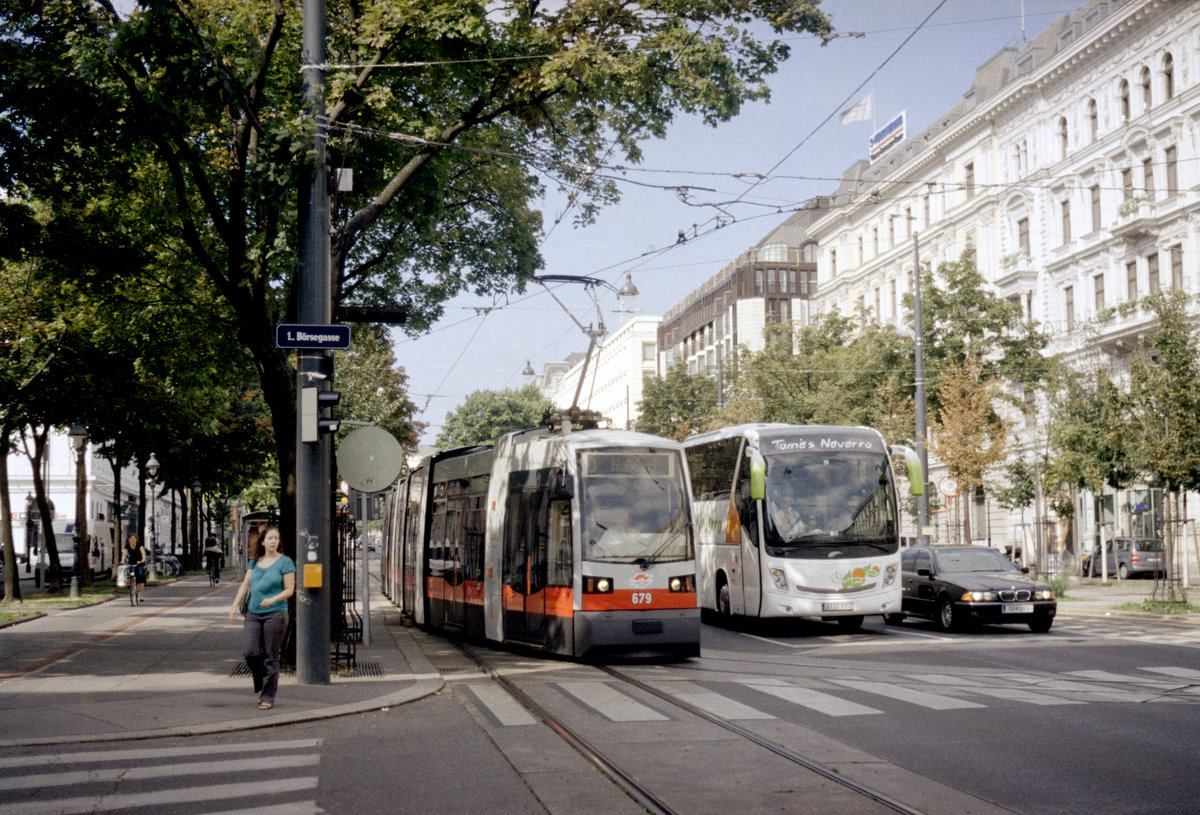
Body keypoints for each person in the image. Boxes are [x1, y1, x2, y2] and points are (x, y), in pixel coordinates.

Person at [228, 527, 295, 710]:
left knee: (270, 656)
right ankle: (261, 682)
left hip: (276, 613)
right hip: (253, 613)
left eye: (276, 538)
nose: (273, 541)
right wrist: (234, 605)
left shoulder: (285, 562)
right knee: (250, 652)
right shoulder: (255, 562)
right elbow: (245, 584)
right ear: (263, 542)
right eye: (270, 538)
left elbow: (289, 590)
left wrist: (273, 599)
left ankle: (267, 696)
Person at [122, 533, 148, 603]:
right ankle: (131, 585)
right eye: (131, 539)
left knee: (141, 579)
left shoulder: (140, 546)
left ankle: (141, 596)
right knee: (130, 574)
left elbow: (143, 553)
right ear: (129, 540)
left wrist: (143, 559)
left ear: (136, 540)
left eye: (134, 539)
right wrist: (122, 560)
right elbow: (124, 554)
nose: (132, 540)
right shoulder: (127, 546)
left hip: (139, 563)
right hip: (131, 563)